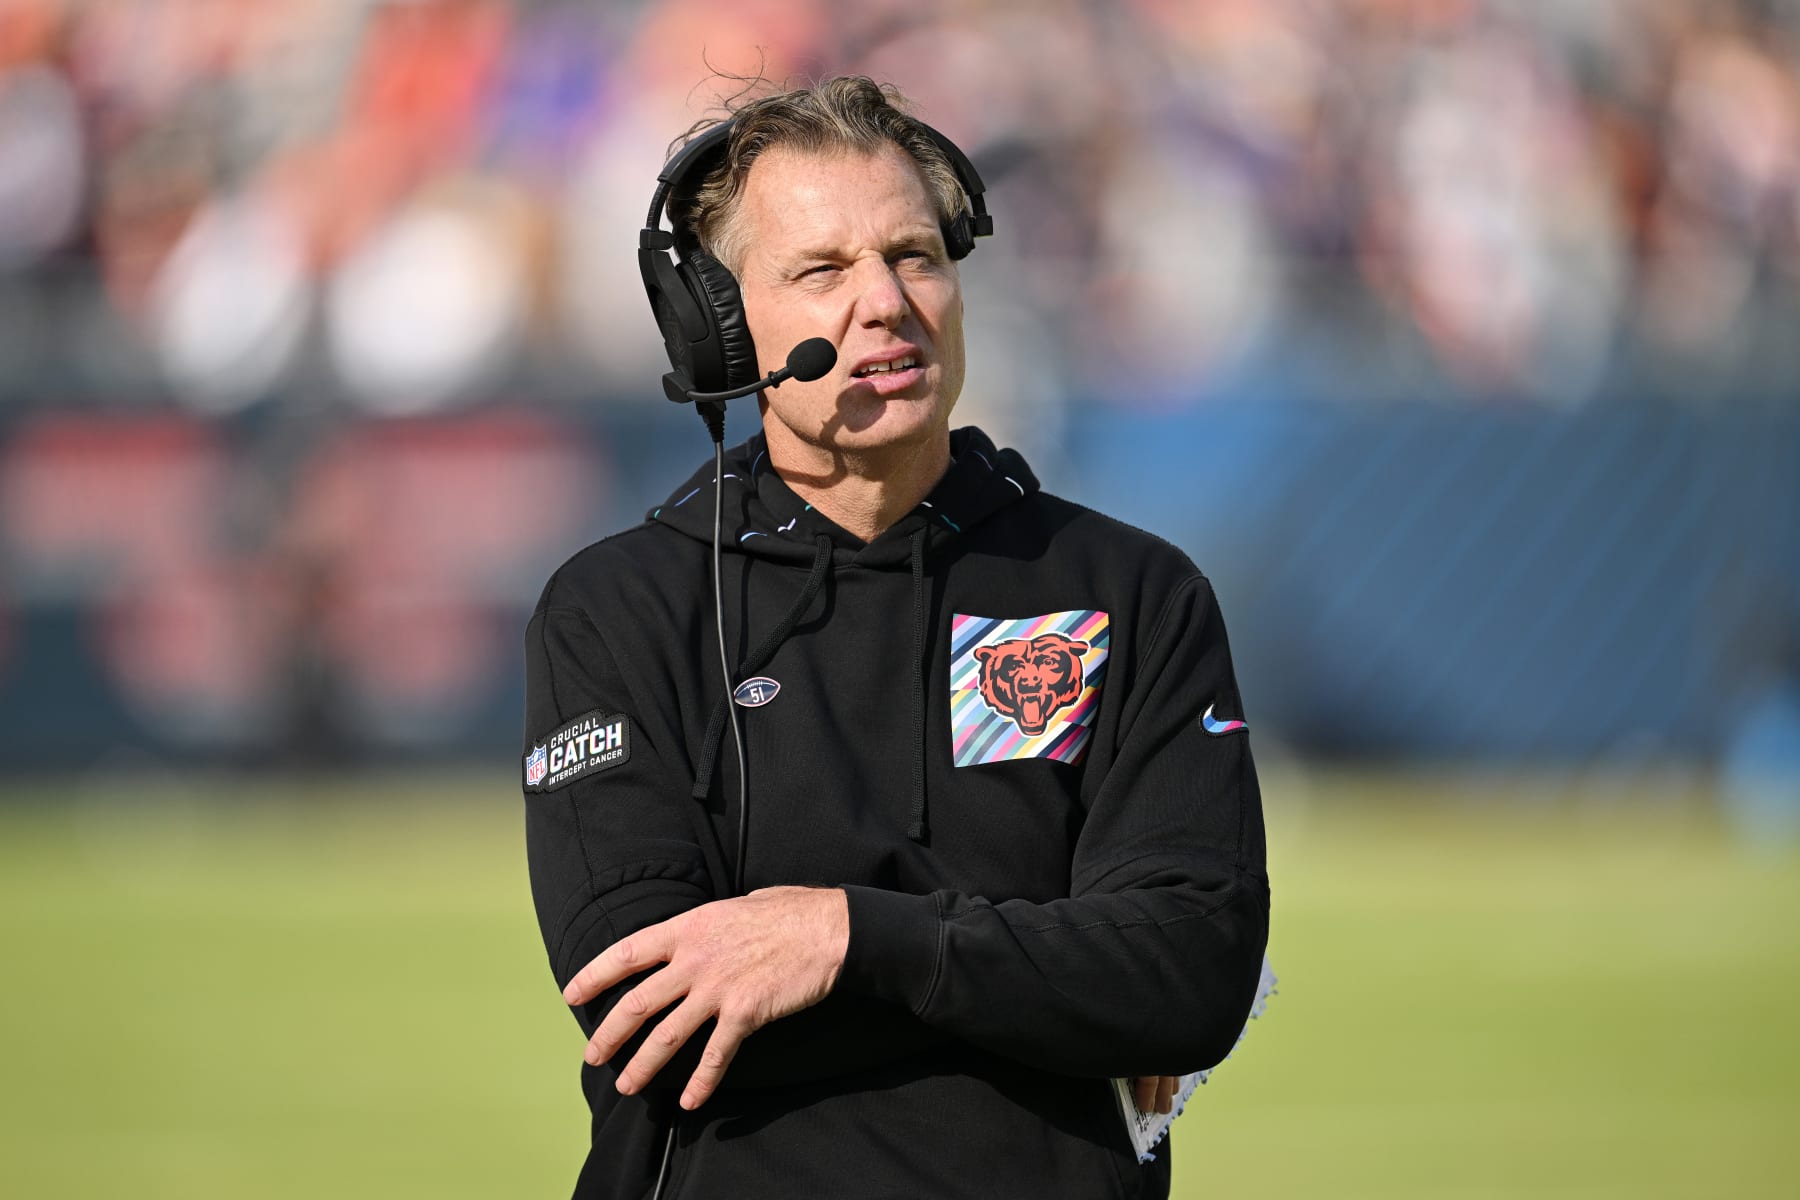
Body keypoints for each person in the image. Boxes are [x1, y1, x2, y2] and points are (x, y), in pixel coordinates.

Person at [521, 75, 1270, 1200]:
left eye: (914, 255)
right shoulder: (616, 611)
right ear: (722, 326)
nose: (885, 301)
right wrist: (1043, 968)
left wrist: (843, 938)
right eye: (822, 270)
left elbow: (1190, 976)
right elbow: (649, 1005)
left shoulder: (1135, 592)